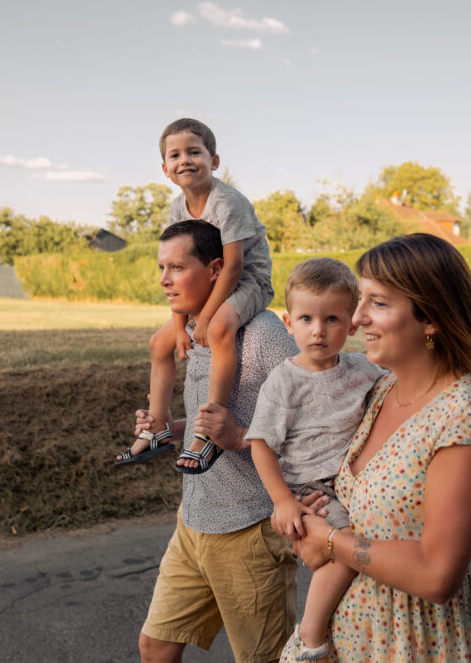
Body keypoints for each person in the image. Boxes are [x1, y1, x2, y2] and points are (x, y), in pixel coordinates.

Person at [281, 233, 471, 662]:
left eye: (379, 303)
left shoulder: (464, 419)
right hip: (349, 634)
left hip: (411, 643)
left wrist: (332, 541)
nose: (355, 319)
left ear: (431, 319)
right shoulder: (380, 390)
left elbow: (436, 574)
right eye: (360, 300)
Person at [134, 219, 298, 662]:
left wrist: (241, 437)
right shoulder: (189, 333)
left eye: (177, 267)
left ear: (215, 269)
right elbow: (209, 421)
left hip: (251, 530)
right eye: (161, 267)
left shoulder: (262, 333)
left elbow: (310, 424)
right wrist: (169, 429)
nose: (165, 280)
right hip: (193, 522)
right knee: (155, 646)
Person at [116, 118, 274, 475]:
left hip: (250, 279)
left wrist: (203, 319)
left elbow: (233, 268)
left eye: (194, 151)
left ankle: (210, 432)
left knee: (218, 330)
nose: (184, 159)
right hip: (209, 281)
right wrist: (179, 325)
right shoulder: (177, 208)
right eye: (175, 155)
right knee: (159, 344)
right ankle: (156, 427)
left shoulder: (228, 202)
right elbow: (176, 265)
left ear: (214, 161)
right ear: (165, 169)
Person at [245, 258, 383, 661]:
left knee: (360, 549)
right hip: (310, 490)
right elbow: (261, 445)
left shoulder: (363, 370)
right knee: (346, 552)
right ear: (288, 323)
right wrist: (283, 501)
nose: (318, 330)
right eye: (306, 319)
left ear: (352, 324)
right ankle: (311, 637)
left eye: (332, 319)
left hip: (349, 483)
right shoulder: (284, 381)